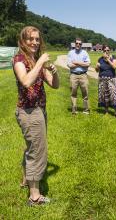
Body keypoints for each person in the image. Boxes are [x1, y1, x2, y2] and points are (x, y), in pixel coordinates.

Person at [13, 26, 59, 205]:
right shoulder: (19, 59)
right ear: (23, 41)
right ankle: (35, 197)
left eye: (37, 39)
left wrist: (54, 72)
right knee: (37, 152)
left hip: (39, 110)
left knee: (32, 147)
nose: (34, 42)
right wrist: (40, 62)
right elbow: (25, 81)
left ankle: (26, 179)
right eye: (30, 39)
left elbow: (54, 85)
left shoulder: (35, 60)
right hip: (28, 112)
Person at [67, 38, 91, 114]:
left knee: (85, 93)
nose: (78, 45)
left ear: (81, 45)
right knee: (73, 93)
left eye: (80, 44)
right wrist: (82, 63)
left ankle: (86, 110)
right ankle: (74, 110)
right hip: (73, 75)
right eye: (77, 43)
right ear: (75, 44)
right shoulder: (70, 53)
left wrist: (76, 62)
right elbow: (70, 65)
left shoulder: (85, 53)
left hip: (83, 75)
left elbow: (88, 64)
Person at [95, 45, 116, 117]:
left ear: (110, 50)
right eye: (104, 50)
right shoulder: (100, 59)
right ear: (102, 51)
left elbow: (114, 66)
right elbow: (97, 70)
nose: (106, 52)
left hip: (112, 79)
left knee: (113, 95)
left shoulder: (113, 57)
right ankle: (106, 111)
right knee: (104, 95)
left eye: (107, 50)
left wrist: (108, 59)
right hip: (102, 79)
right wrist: (97, 66)